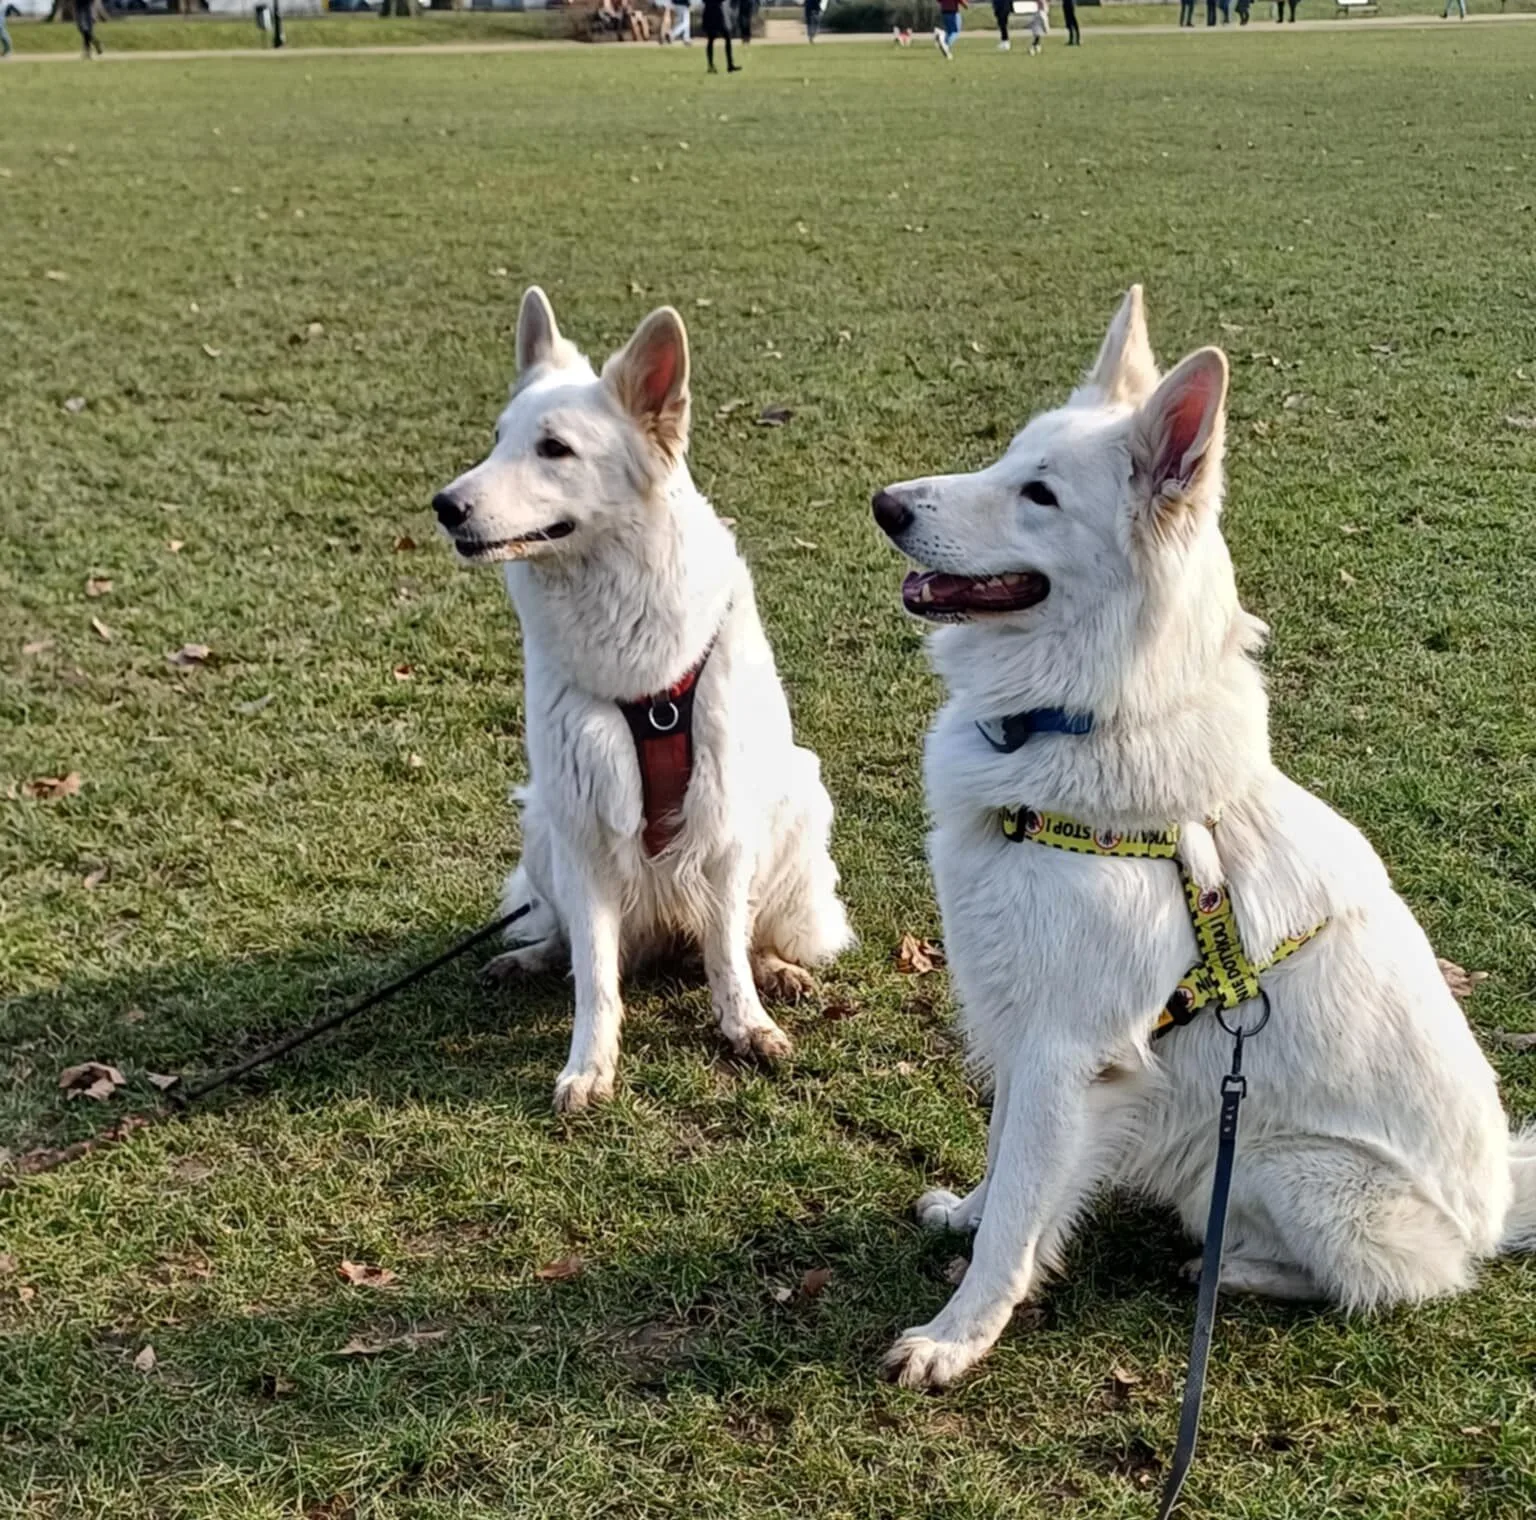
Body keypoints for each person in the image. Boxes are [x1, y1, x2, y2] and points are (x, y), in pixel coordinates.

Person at [703, 0, 738, 68]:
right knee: (723, 37)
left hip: (710, 13)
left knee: (712, 39)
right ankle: (729, 64)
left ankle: (711, 65)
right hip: (715, 13)